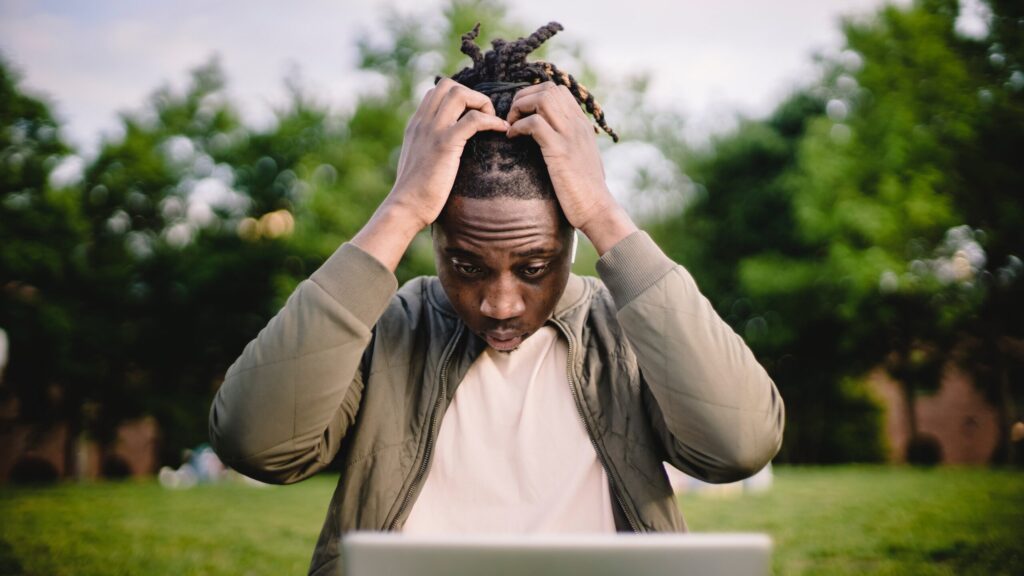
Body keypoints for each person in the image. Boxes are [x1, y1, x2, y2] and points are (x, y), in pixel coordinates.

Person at [208, 22, 785, 576]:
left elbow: (739, 445)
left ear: (571, 239)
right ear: (434, 238)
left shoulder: (631, 332)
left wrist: (605, 213)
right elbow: (257, 445)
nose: (500, 304)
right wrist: (400, 208)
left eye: (533, 267)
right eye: (467, 265)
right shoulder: (386, 327)